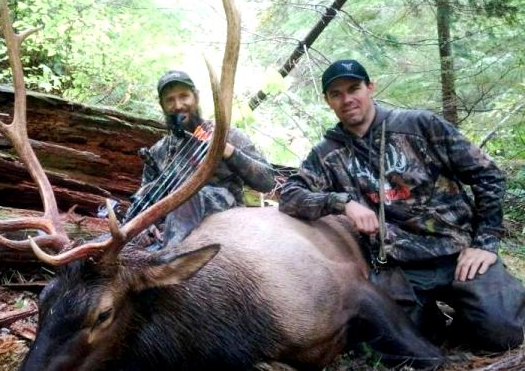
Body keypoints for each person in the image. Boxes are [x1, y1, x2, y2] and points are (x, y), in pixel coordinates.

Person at [279, 59, 525, 351]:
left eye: (354, 88)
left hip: (459, 252)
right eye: (337, 94)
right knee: (394, 343)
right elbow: (290, 196)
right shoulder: (327, 154)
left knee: (504, 333)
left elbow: (488, 174)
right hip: (398, 267)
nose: (347, 99)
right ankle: (432, 320)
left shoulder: (421, 125)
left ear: (370, 88)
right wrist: (342, 203)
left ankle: (470, 316)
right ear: (328, 101)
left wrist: (484, 242)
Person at [130, 70, 275, 248]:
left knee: (187, 195)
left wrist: (226, 149)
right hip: (168, 229)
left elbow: (267, 181)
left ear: (196, 97)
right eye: (170, 100)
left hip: (226, 223)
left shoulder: (227, 135)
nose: (178, 105)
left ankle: (168, 260)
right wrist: (143, 224)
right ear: (162, 105)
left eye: (184, 96)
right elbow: (146, 197)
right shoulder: (158, 151)